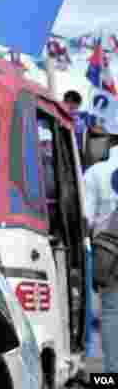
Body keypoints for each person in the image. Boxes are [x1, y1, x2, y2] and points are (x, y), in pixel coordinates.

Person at [86, 133, 118, 373]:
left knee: (111, 311)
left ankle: (110, 377)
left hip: (110, 253)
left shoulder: (97, 172)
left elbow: (85, 217)